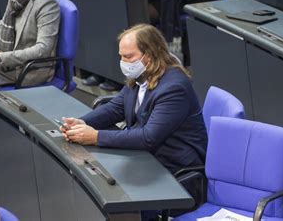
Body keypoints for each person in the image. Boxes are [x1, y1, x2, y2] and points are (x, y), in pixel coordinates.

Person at [61, 24, 207, 172]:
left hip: (174, 166)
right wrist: (82, 123)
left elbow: (148, 137)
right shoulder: (140, 76)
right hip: (147, 155)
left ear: (149, 56)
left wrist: (95, 137)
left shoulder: (174, 88)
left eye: (128, 56)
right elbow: (115, 108)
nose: (123, 62)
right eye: (121, 56)